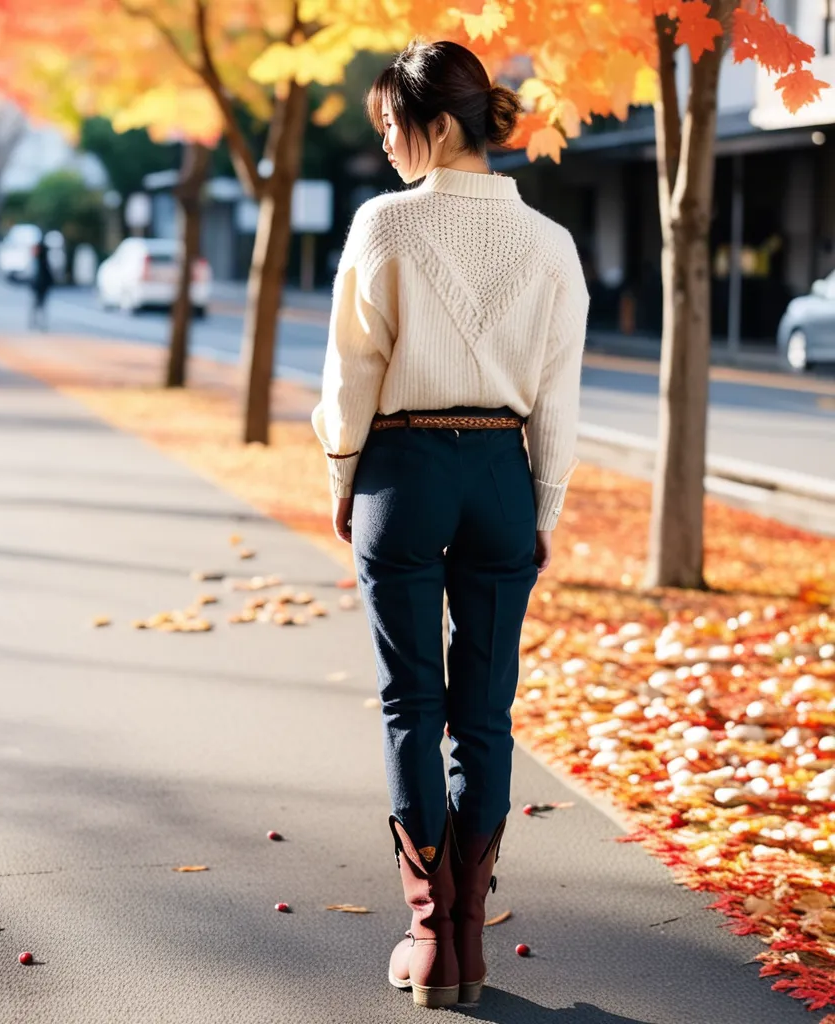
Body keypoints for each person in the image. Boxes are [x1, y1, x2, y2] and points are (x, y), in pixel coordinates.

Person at [311, 40, 588, 1010]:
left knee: (409, 704)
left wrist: (342, 476)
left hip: (402, 467)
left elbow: (350, 374)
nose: (385, 148)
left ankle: (427, 938)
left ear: (433, 124)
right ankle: (467, 938)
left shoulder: (383, 227)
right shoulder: (550, 243)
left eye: (390, 126)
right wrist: (541, 505)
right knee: (483, 709)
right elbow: (558, 395)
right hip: (500, 475)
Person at [29, 235, 54, 331]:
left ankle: (37, 322)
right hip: (40, 285)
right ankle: (36, 322)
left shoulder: (40, 261)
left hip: (40, 285)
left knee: (38, 304)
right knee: (38, 304)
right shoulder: (41, 260)